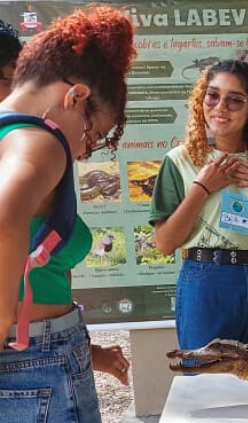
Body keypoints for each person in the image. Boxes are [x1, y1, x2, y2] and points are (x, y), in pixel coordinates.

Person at [0, 6, 135, 421]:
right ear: (74, 96)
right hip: (34, 357)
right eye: (93, 133)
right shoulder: (41, 140)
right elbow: (5, 216)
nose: (84, 148)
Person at [150, 60, 248, 349]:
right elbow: (163, 243)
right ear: (201, 100)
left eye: (235, 100)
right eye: (213, 95)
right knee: (204, 382)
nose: (221, 107)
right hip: (206, 281)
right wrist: (202, 189)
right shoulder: (180, 161)